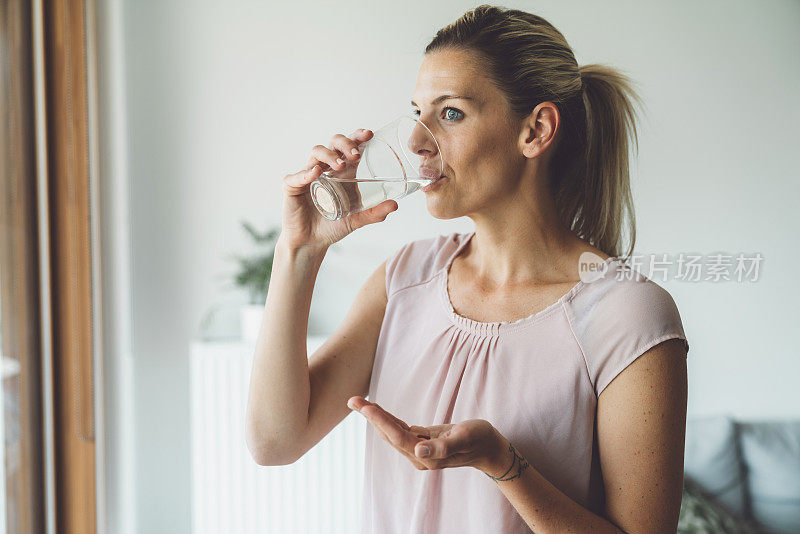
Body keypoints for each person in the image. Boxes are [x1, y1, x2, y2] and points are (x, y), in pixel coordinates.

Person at [246, 4, 689, 533]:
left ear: (536, 131)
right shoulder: (406, 280)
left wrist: (503, 465)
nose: (415, 142)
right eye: (417, 113)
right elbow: (274, 442)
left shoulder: (627, 314)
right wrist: (299, 250)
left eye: (450, 113)